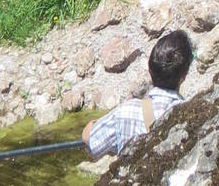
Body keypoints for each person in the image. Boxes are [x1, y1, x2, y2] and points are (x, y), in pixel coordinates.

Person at [82, 29, 193, 157]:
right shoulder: (190, 115)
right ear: (184, 76)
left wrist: (93, 124)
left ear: (150, 70)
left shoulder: (126, 112)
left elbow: (91, 141)